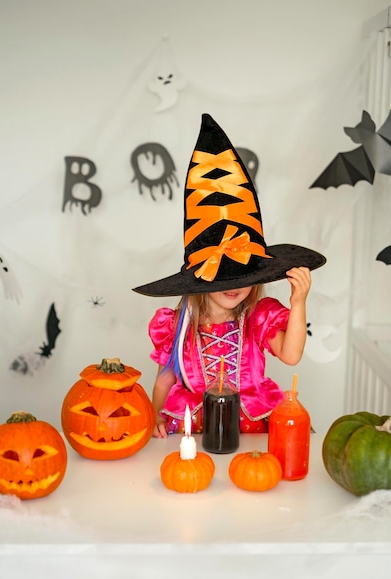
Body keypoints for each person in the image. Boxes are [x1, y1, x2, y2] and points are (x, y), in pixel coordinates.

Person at [133, 114, 326, 437]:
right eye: (223, 280)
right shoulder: (177, 324)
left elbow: (291, 356)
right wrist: (155, 416)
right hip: (193, 423)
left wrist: (299, 301)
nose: (234, 288)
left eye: (241, 279)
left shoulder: (256, 317)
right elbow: (165, 378)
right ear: (200, 280)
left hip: (250, 422)